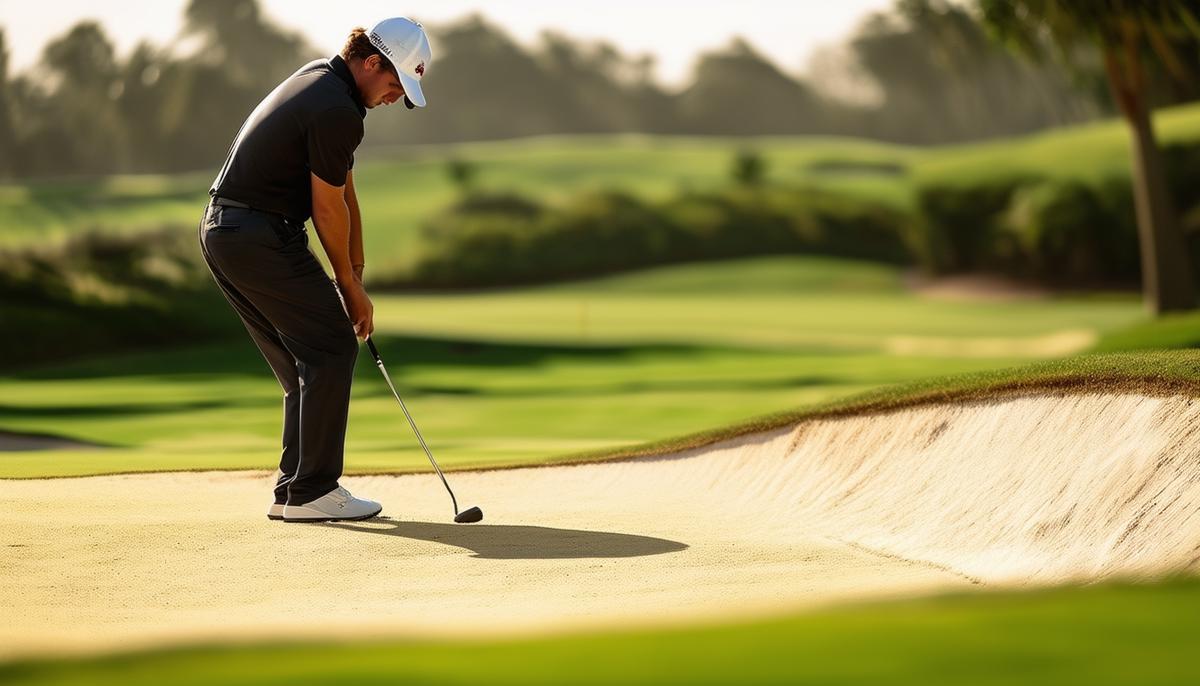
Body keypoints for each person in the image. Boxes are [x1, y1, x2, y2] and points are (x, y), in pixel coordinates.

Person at [197, 17, 431, 523]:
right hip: (257, 234)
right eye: (394, 84)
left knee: (304, 359)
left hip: (227, 232)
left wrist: (357, 275)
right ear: (371, 63)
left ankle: (294, 489)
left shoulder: (321, 82)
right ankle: (314, 490)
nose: (395, 98)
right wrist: (347, 289)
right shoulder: (335, 110)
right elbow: (326, 211)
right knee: (330, 344)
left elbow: (345, 193)